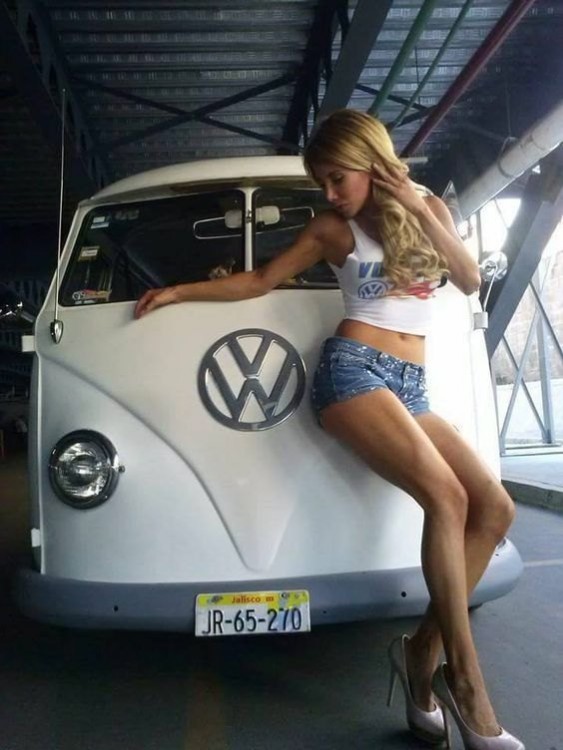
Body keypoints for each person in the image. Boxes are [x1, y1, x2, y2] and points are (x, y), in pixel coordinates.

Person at [135, 109, 523, 750]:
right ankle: (466, 681)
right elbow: (260, 281)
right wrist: (177, 292)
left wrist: (417, 206)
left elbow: (469, 278)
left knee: (495, 508)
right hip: (352, 372)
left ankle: (420, 653)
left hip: (412, 385)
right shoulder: (331, 229)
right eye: (323, 182)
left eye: (337, 177)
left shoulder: (428, 207)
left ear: (372, 162)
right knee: (448, 498)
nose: (331, 193)